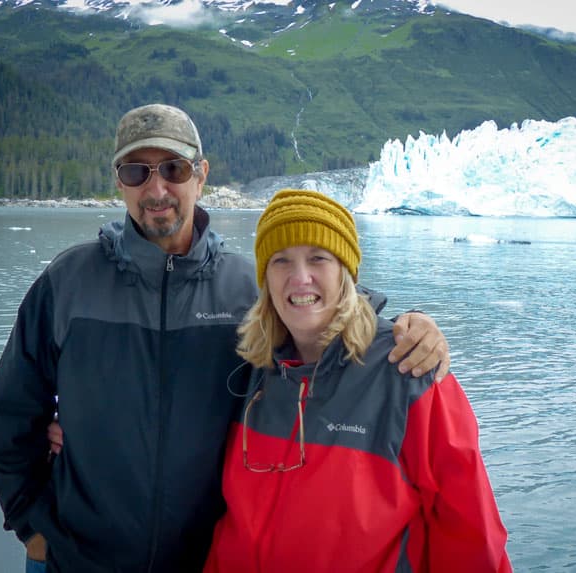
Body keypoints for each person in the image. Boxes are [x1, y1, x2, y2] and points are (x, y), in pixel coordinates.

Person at [0, 104, 451, 573]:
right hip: (75, 561)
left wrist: (412, 323)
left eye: (174, 168)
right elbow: (10, 415)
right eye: (137, 171)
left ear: (200, 175)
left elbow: (322, 308)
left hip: (201, 562)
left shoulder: (244, 291)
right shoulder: (69, 283)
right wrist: (32, 527)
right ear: (119, 182)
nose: (156, 187)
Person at [204, 190, 511, 573]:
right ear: (265, 277)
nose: (300, 278)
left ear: (347, 272)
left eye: (319, 258)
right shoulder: (250, 369)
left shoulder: (407, 371)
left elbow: (470, 530)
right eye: (281, 260)